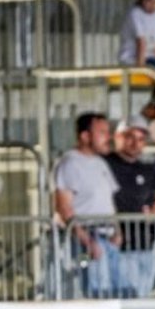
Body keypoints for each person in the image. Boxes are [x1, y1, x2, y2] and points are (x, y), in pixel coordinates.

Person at [106, 115, 155, 297]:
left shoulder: (147, 169)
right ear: (118, 137)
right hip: (118, 248)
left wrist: (153, 213)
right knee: (124, 298)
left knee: (142, 298)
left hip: (146, 245)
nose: (135, 143)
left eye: (140, 138)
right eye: (129, 136)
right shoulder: (105, 164)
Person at [54, 111, 122, 298]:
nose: (108, 137)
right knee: (96, 295)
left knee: (115, 295)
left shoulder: (101, 163)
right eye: (102, 132)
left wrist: (118, 231)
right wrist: (87, 241)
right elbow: (65, 208)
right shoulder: (70, 164)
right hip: (88, 239)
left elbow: (109, 202)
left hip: (108, 239)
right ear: (85, 136)